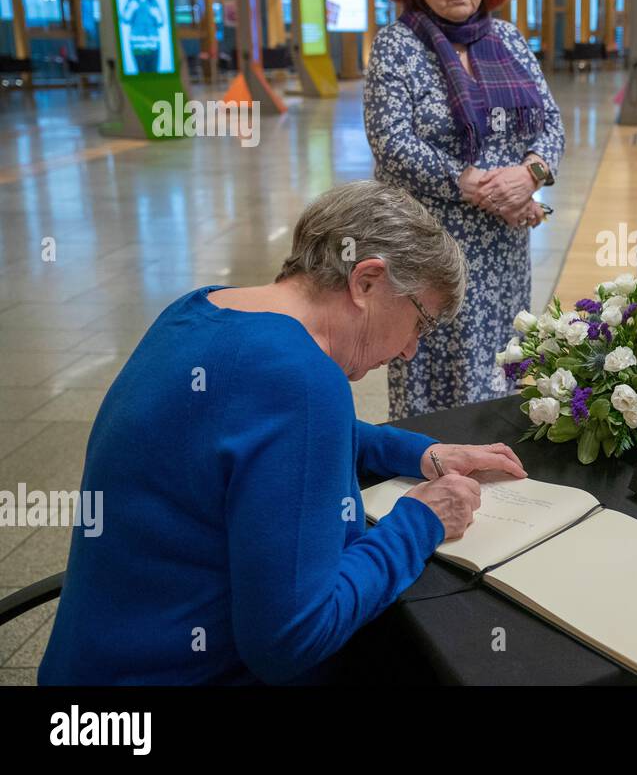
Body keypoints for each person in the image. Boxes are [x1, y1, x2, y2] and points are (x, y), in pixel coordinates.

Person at [38, 181, 527, 685]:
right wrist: (422, 520)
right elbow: (294, 638)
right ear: (367, 281)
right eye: (420, 323)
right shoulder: (302, 378)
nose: (409, 351)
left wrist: (423, 453)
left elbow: (257, 431)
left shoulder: (201, 309)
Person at [365, 0, 565, 419]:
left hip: (503, 252)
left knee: (502, 365)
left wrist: (531, 175)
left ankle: (495, 475)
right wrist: (473, 185)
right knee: (430, 369)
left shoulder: (509, 40)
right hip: (429, 246)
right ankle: (429, 474)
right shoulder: (398, 47)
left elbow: (550, 124)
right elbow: (392, 142)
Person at [120, 0, 165, 73]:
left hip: (153, 44)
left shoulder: (153, 1)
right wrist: (131, 9)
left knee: (154, 72)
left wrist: (156, 15)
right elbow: (125, 19)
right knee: (142, 72)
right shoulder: (131, 1)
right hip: (138, 45)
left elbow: (161, 21)